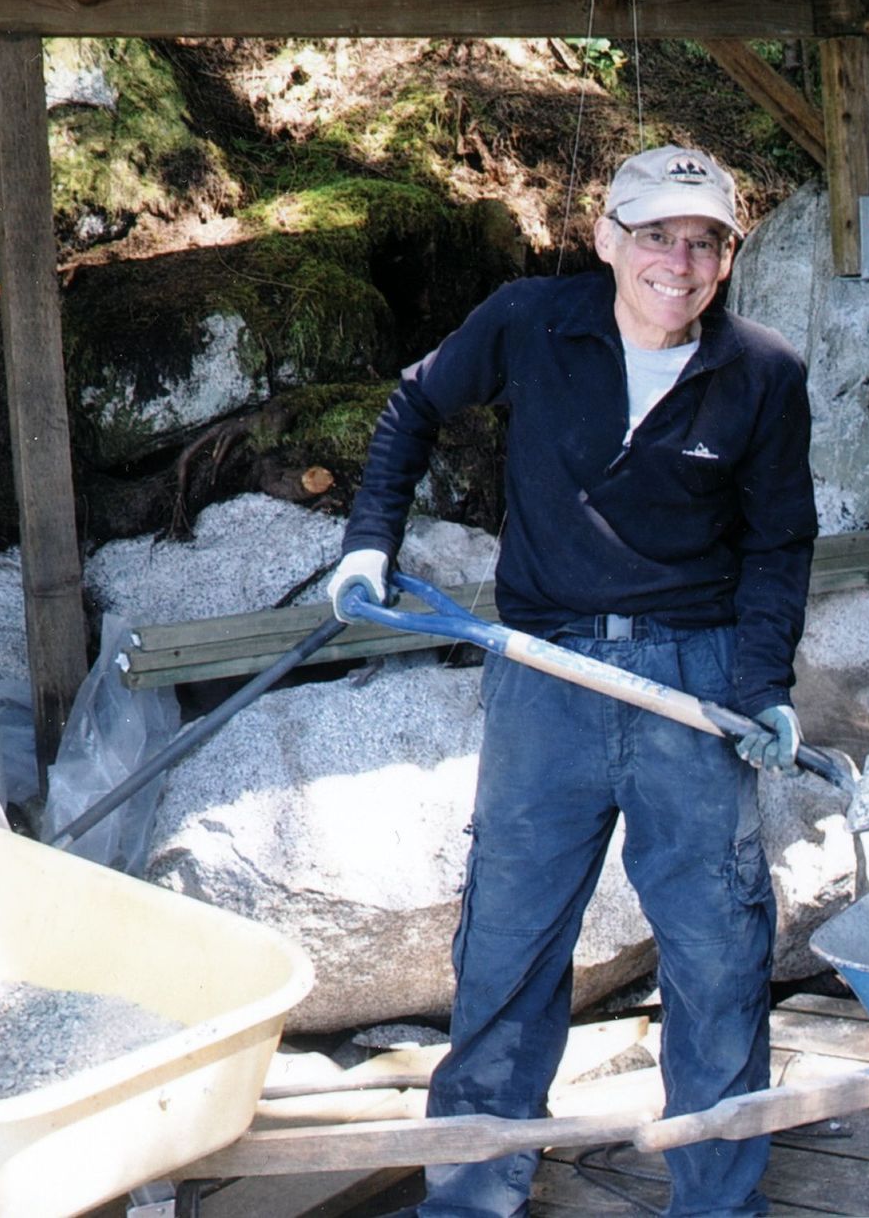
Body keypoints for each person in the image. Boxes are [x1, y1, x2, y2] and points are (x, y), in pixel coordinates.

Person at [327, 143, 817, 1218]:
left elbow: (780, 543)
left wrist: (762, 686)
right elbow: (413, 407)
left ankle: (715, 1204)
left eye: (705, 243)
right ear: (606, 239)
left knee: (717, 955)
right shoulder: (529, 321)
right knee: (507, 943)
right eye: (656, 236)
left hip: (690, 685)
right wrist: (368, 544)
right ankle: (471, 1197)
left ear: (727, 259)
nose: (679, 263)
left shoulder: (762, 373)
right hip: (543, 676)